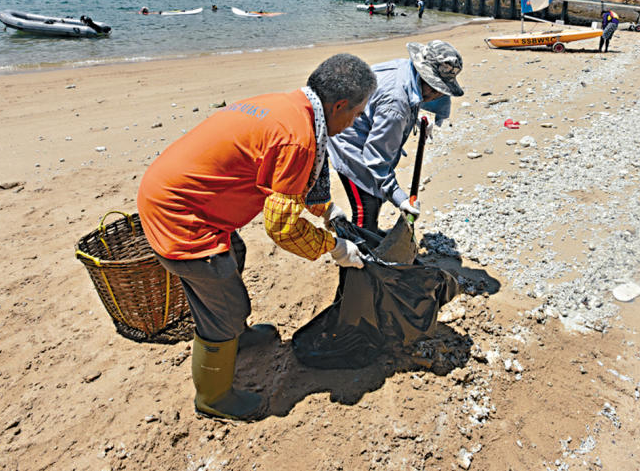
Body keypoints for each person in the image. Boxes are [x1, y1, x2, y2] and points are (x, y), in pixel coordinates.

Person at [137, 54, 376, 421]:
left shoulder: (289, 107)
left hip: (178, 195)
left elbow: (290, 183)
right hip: (181, 216)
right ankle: (213, 398)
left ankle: (238, 337)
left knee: (234, 252)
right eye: (356, 114)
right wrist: (336, 248)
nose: (354, 122)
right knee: (221, 296)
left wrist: (327, 211)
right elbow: (281, 228)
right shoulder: (298, 139)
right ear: (339, 104)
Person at [328, 40, 464, 237]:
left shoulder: (409, 71)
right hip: (348, 140)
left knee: (377, 194)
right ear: (425, 77)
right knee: (366, 204)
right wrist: (401, 200)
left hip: (364, 120)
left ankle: (370, 233)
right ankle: (356, 256)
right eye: (436, 90)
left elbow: (412, 98)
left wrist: (416, 118)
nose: (437, 96)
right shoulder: (395, 105)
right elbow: (376, 161)